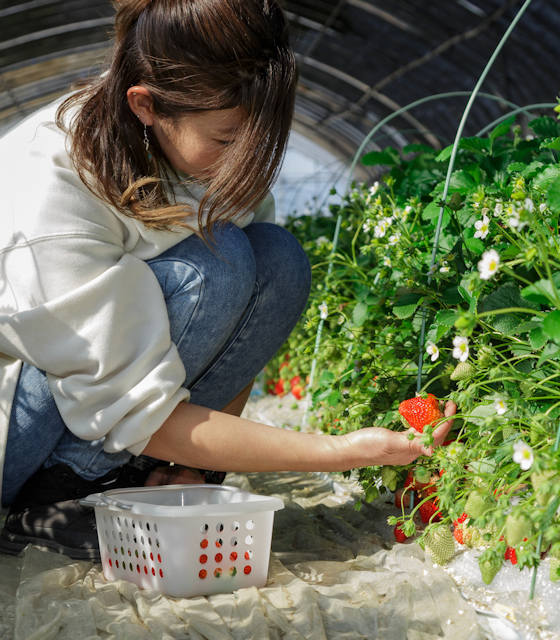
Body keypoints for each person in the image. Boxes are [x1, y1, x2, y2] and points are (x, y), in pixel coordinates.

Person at [0, 0, 456, 561]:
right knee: (216, 260)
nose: (245, 158)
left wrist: (190, 466)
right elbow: (136, 409)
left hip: (111, 413)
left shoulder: (214, 157)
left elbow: (245, 326)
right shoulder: (52, 188)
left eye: (262, 138)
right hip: (16, 428)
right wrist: (339, 451)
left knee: (277, 258)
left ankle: (142, 480)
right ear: (144, 105)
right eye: (225, 138)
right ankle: (56, 498)